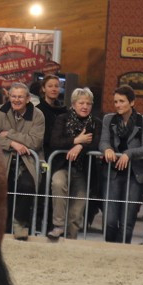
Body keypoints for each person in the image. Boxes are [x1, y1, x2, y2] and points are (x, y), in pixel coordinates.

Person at [0, 82, 45, 240]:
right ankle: (1, 226)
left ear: (27, 99)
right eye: (13, 96)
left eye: (20, 97)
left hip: (28, 160)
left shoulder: (38, 115)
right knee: (1, 186)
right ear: (9, 97)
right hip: (4, 158)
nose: (16, 100)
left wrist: (9, 134)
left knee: (26, 185)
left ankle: (20, 224)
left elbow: (35, 142)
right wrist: (13, 144)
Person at [99, 86, 143, 244]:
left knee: (127, 222)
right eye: (115, 101)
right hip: (113, 173)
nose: (117, 105)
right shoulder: (108, 119)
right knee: (109, 220)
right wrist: (107, 148)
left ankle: (123, 254)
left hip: (135, 175)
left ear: (132, 102)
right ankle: (109, 250)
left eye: (121, 101)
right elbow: (103, 141)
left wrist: (129, 153)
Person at [47, 88, 101, 240]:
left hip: (84, 171)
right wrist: (76, 140)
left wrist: (80, 146)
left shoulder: (96, 123)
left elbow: (96, 144)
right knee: (58, 183)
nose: (85, 106)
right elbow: (55, 142)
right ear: (73, 104)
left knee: (76, 212)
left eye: (88, 103)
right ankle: (58, 225)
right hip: (62, 166)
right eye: (81, 103)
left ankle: (71, 239)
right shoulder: (62, 119)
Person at [37, 74, 67, 160]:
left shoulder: (64, 111)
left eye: (56, 86)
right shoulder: (38, 110)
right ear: (43, 89)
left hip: (61, 153)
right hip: (43, 153)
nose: (54, 89)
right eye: (50, 86)